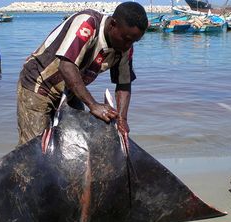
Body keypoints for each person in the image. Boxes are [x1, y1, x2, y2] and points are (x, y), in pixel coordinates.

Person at [16, 2, 148, 145]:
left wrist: (122, 119)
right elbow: (66, 66)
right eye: (127, 39)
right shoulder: (88, 23)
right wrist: (93, 105)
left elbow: (123, 83)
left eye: (135, 41)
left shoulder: (125, 48)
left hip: (69, 91)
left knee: (76, 143)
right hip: (39, 85)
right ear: (112, 25)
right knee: (34, 148)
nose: (128, 45)